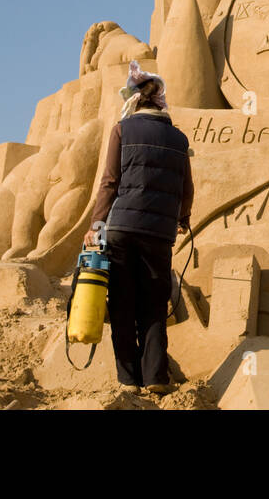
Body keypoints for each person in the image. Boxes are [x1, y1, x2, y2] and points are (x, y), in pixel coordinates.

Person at [84, 60, 193, 393]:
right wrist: (182, 218)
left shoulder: (123, 130)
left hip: (121, 230)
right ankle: (156, 377)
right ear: (159, 101)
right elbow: (187, 188)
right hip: (158, 234)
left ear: (132, 101)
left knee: (122, 303)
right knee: (155, 304)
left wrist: (96, 226)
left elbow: (109, 182)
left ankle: (128, 380)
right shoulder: (178, 138)